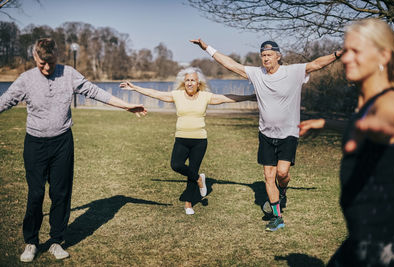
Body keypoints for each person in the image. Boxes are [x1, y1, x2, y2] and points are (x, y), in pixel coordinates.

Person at [0, 38, 147, 262]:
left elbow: (95, 91)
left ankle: (56, 241)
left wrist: (127, 105)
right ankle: (31, 242)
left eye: (51, 62)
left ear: (57, 57)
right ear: (34, 58)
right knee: (36, 194)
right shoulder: (26, 79)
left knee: (60, 193)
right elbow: (5, 100)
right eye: (42, 64)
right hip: (35, 144)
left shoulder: (68, 74)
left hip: (62, 143)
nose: (47, 68)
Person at [191, 38, 342, 231]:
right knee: (269, 176)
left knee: (282, 173)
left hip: (288, 134)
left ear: (278, 56)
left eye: (269, 55)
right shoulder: (256, 74)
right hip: (265, 134)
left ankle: (283, 190)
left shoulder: (293, 72)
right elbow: (230, 64)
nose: (265, 58)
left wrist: (336, 55)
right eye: (263, 55)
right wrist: (207, 48)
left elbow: (316, 64)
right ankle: (278, 217)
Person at [298, 18, 394, 266]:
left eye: (355, 51)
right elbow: (361, 123)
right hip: (361, 235)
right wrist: (325, 123)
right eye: (345, 51)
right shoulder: (367, 101)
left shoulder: (388, 102)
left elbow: (390, 116)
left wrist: (381, 128)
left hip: (385, 244)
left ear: (383, 56)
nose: (345, 58)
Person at [120, 67, 255, 215]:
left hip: (199, 141)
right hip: (182, 139)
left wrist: (249, 97)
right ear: (184, 82)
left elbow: (226, 97)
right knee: (176, 165)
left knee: (192, 169)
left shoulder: (205, 96)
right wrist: (135, 88)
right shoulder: (177, 95)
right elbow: (156, 94)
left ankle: (188, 204)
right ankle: (199, 179)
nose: (190, 83)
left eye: (193, 80)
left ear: (198, 83)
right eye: (187, 80)